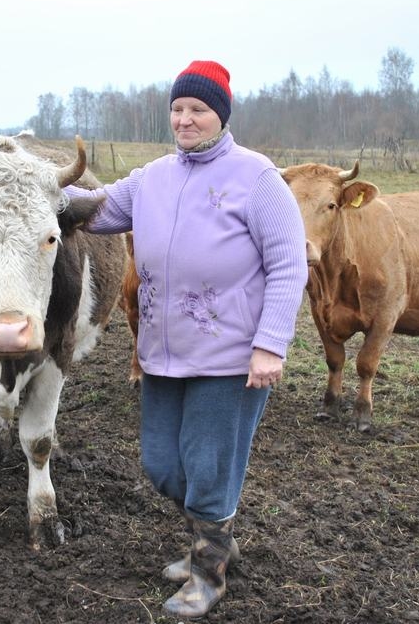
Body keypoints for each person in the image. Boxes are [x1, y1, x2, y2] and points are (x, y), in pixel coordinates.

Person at [64, 60, 309, 618]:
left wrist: (271, 343)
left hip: (230, 357)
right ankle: (217, 536)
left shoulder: (258, 178)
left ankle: (208, 572)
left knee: (208, 468)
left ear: (220, 114)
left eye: (197, 109)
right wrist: (34, 190)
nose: (185, 119)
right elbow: (93, 208)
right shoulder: (152, 179)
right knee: (161, 465)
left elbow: (289, 264)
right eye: (177, 109)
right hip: (161, 353)